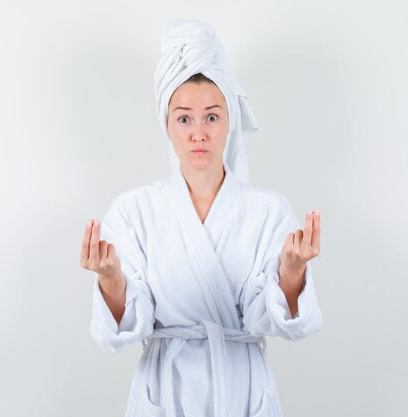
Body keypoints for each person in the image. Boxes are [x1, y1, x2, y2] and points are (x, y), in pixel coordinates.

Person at [80, 19, 322, 417]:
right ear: (167, 124)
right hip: (166, 390)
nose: (199, 133)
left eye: (211, 117)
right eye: (184, 118)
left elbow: (277, 321)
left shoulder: (268, 211)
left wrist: (291, 273)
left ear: (229, 123)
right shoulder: (133, 211)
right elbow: (122, 330)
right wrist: (111, 280)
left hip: (242, 389)